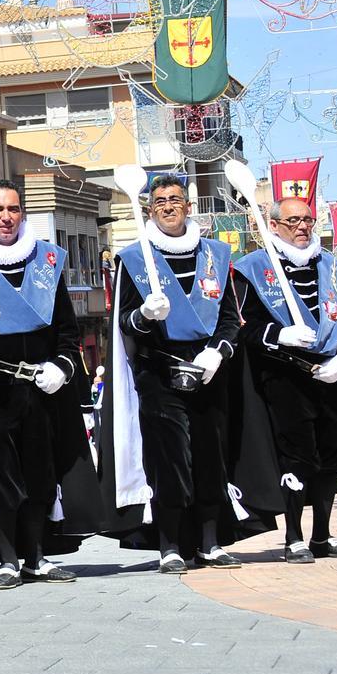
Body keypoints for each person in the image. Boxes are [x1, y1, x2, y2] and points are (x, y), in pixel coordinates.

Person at [0, 180, 103, 590]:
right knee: (1, 478)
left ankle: (35, 554)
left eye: (14, 209)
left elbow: (67, 330)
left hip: (41, 386)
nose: (7, 218)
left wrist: (63, 368)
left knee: (40, 473)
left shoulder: (47, 261)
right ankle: (6, 559)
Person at [233, 197, 337, 563]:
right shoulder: (253, 269)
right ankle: (293, 537)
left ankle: (322, 534)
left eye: (307, 220)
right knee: (296, 458)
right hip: (283, 377)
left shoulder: (334, 271)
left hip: (329, 376)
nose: (302, 227)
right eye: (292, 221)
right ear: (274, 226)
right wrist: (279, 335)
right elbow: (245, 327)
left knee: (329, 458)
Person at [108, 174, 249, 573]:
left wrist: (218, 353)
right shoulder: (134, 259)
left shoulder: (217, 255)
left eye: (175, 199)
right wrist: (143, 315)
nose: (168, 206)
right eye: (160, 201)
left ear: (188, 206)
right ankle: (169, 543)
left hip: (207, 369)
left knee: (210, 456)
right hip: (159, 372)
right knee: (168, 460)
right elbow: (123, 323)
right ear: (150, 209)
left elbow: (229, 320)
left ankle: (209, 541)